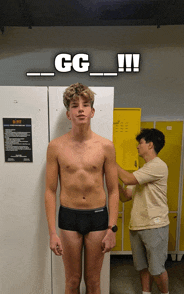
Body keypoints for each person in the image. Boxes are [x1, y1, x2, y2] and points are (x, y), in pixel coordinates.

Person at [45, 83, 119, 294]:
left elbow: (113, 190)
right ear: (68, 114)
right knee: (72, 281)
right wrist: (52, 233)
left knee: (94, 281)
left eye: (85, 105)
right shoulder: (56, 147)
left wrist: (112, 229)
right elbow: (50, 191)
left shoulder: (105, 146)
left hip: (98, 217)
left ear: (92, 111)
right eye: (74, 105)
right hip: (69, 216)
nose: (80, 109)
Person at [117, 128, 170, 294]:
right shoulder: (143, 171)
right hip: (137, 226)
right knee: (142, 267)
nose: (137, 146)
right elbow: (125, 196)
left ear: (150, 145)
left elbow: (127, 178)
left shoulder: (158, 166)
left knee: (156, 269)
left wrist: (110, 161)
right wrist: (112, 181)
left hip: (155, 226)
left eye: (140, 143)